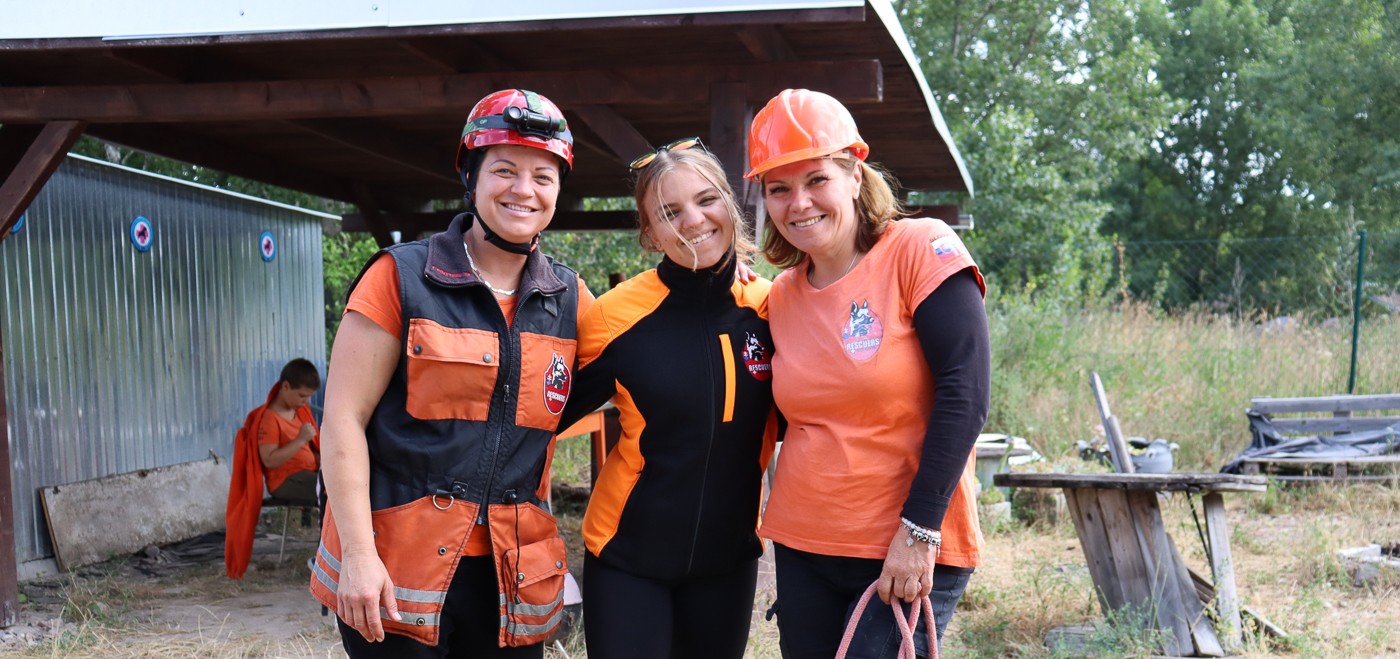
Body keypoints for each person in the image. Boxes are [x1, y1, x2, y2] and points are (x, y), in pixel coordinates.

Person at [308, 88, 594, 658]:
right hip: (397, 568)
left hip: (512, 578)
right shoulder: (400, 278)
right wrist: (359, 556)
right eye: (504, 170)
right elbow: (342, 419)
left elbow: (648, 360)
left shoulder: (570, 300)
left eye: (543, 176)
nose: (523, 189)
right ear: (471, 176)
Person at [747, 89, 990, 658]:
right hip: (804, 543)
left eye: (817, 180)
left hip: (903, 541)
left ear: (855, 175)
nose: (799, 203)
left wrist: (919, 530)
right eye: (779, 189)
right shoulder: (781, 295)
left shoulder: (919, 249)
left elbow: (966, 393)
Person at [555, 139, 777, 659]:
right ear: (651, 233)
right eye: (669, 212)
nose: (693, 220)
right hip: (628, 560)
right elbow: (539, 417)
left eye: (707, 199)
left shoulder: (773, 307)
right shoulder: (613, 317)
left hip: (728, 561)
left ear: (730, 203)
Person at [225, 358, 322, 579]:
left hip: (306, 474)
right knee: (329, 490)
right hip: (285, 481)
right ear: (285, 386)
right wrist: (300, 439)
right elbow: (269, 460)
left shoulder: (299, 412)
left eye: (308, 397)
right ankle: (324, 557)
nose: (305, 402)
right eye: (302, 396)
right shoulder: (270, 419)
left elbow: (309, 450)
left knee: (338, 483)